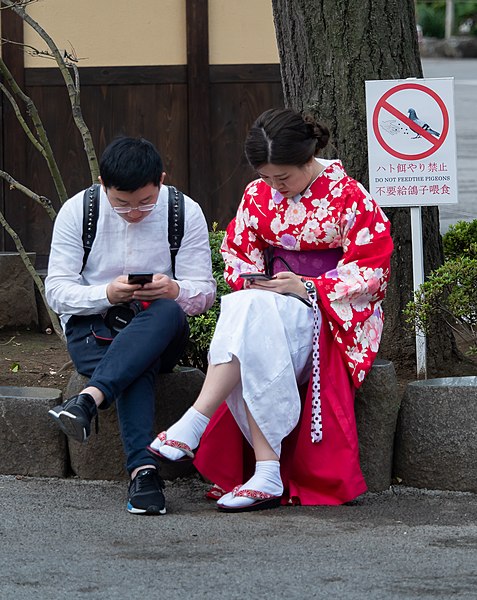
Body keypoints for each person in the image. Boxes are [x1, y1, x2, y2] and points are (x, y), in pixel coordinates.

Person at [147, 108, 394, 512]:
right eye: (266, 177)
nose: (275, 187)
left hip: (326, 310)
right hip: (271, 304)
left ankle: (196, 422)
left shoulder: (349, 196)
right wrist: (253, 279)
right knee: (249, 306)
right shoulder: (257, 195)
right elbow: (237, 254)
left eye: (284, 177)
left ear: (308, 159)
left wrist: (310, 286)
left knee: (248, 312)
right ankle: (264, 472)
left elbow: (372, 267)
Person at [46, 137, 216, 515]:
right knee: (138, 363)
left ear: (161, 180)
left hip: (160, 325)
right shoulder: (80, 211)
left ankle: (88, 400)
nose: (134, 212)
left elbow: (204, 292)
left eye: (144, 202)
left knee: (167, 311)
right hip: (95, 331)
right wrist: (106, 293)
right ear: (103, 185)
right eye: (121, 204)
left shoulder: (182, 211)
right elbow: (56, 292)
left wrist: (173, 289)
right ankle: (144, 472)